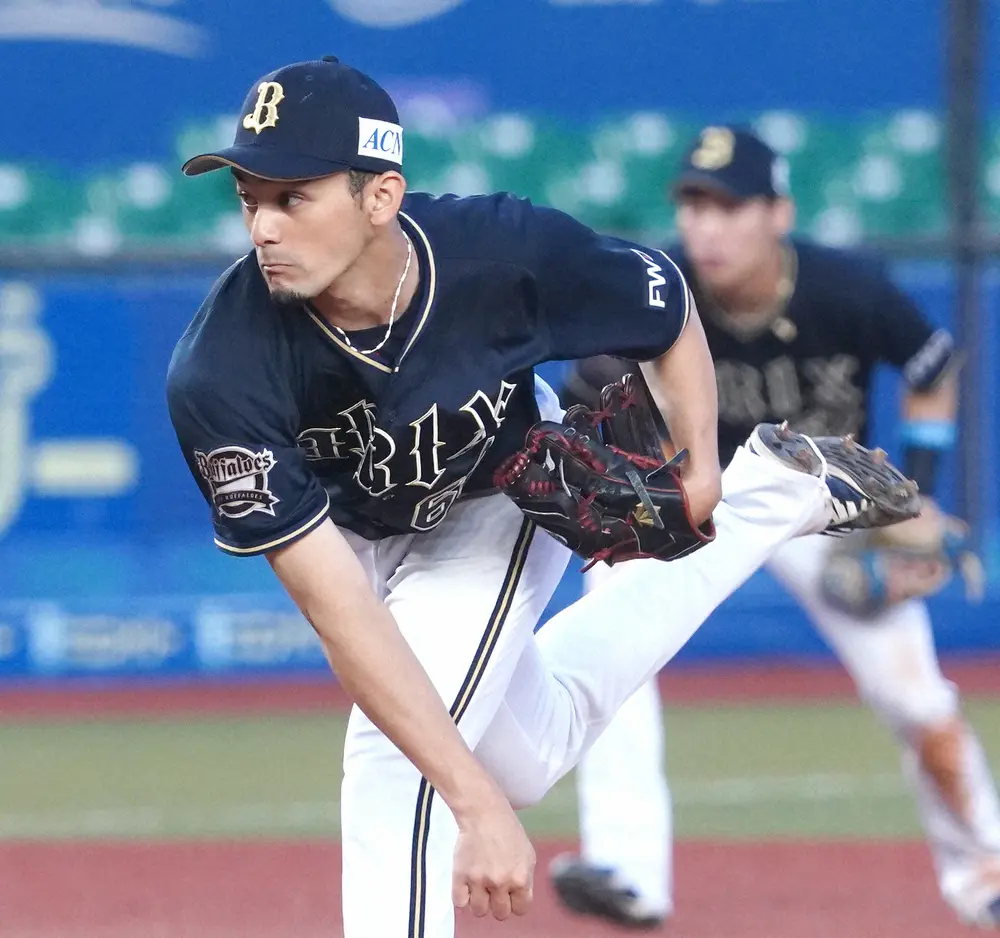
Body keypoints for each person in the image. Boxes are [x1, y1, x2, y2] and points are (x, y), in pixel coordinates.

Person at [166, 64, 914, 938]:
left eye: (293, 196)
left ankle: (749, 494)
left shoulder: (498, 253)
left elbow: (663, 305)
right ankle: (774, 493)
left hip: (497, 492)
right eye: (250, 198)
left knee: (392, 765)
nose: (263, 225)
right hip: (359, 537)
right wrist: (480, 801)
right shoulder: (219, 370)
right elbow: (339, 610)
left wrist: (702, 469)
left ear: (381, 196)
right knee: (521, 760)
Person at [550, 125, 1000, 931]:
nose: (708, 228)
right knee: (610, 638)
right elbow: (587, 392)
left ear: (779, 213)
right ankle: (627, 870)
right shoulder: (658, 291)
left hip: (821, 505)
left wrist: (920, 497)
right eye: (694, 206)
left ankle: (986, 868)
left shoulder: (844, 287)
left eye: (730, 207)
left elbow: (932, 367)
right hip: (700, 500)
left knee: (916, 702)